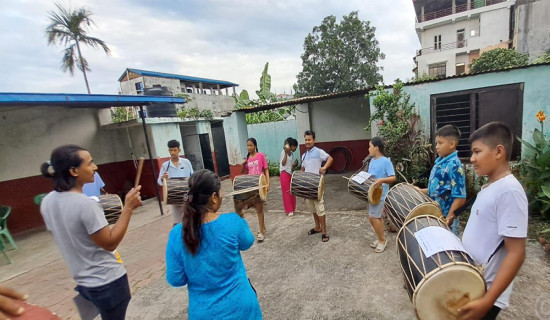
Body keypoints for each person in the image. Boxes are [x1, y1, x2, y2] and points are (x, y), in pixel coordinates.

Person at [40, 145, 142, 320]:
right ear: (73, 171)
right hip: (107, 282)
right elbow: (110, 243)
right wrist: (128, 208)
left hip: (83, 283)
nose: (95, 167)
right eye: (90, 163)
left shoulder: (48, 201)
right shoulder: (86, 204)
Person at [165, 169, 262, 320]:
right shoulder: (232, 222)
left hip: (204, 313)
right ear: (214, 197)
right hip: (242, 309)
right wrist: (240, 214)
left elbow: (176, 279)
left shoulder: (177, 233)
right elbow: (248, 242)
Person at [457, 122, 528, 320]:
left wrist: (487, 301)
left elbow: (517, 253)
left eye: (477, 152)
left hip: (485, 292)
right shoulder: (491, 186)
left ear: (498, 152)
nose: (472, 159)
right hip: (473, 282)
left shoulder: (509, 191)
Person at [417, 124, 467, 236]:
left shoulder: (454, 165)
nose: (436, 146)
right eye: (436, 143)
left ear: (452, 144)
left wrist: (447, 221)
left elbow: (460, 198)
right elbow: (438, 190)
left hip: (445, 221)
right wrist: (419, 191)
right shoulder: (439, 163)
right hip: (435, 217)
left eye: (440, 143)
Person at [234, 138, 270, 241]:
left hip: (260, 185)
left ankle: (261, 232)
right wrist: (243, 164)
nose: (249, 147)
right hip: (251, 186)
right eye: (247, 146)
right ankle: (263, 227)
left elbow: (266, 170)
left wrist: (267, 183)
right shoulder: (248, 158)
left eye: (251, 145)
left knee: (259, 208)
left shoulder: (261, 156)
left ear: (255, 146)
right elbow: (244, 173)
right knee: (252, 206)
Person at [301, 130, 333, 242]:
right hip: (307, 186)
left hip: (317, 185)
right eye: (305, 140)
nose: (307, 142)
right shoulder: (304, 155)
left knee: (320, 208)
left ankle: (324, 232)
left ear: (314, 140)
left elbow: (330, 158)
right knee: (312, 208)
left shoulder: (319, 152)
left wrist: (324, 168)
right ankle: (317, 227)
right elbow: (303, 169)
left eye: (309, 139)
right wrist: (300, 184)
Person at [366, 137, 396, 253]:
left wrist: (381, 181)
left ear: (376, 147)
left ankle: (382, 240)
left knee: (372, 218)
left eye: (370, 146)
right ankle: (380, 238)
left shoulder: (386, 161)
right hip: (372, 195)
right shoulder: (372, 160)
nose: (368, 149)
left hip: (380, 195)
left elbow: (393, 177)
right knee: (378, 218)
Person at [157, 139, 194, 227]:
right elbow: (159, 181)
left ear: (179, 150)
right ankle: (178, 237)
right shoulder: (165, 165)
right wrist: (163, 178)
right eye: (171, 150)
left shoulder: (186, 162)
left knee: (190, 219)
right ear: (169, 151)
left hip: (187, 195)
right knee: (177, 222)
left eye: (175, 150)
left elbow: (192, 175)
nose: (173, 152)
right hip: (174, 198)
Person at [279, 137, 298, 217]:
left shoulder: (292, 154)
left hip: (289, 173)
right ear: (292, 146)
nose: (295, 149)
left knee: (292, 191)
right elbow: (283, 163)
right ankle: (289, 210)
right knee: (286, 192)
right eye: (295, 147)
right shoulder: (284, 152)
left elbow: (289, 166)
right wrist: (286, 153)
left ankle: (293, 208)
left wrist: (294, 165)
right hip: (284, 173)